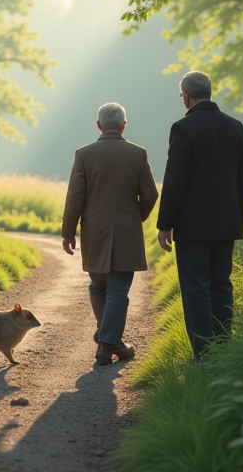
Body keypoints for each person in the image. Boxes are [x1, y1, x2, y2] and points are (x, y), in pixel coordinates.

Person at [157, 71, 243, 358]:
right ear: (209, 93)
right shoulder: (235, 126)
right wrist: (241, 218)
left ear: (186, 96)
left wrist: (165, 225)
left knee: (196, 288)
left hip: (193, 226)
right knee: (222, 284)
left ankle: (204, 353)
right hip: (227, 222)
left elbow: (175, 180)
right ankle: (223, 347)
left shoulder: (183, 128)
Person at [62, 102, 159, 365]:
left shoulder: (84, 154)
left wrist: (68, 231)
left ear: (99, 125)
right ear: (124, 125)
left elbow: (75, 197)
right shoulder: (138, 154)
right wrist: (136, 215)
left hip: (94, 230)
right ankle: (108, 344)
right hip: (127, 230)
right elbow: (150, 194)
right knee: (118, 289)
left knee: (98, 285)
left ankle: (108, 340)